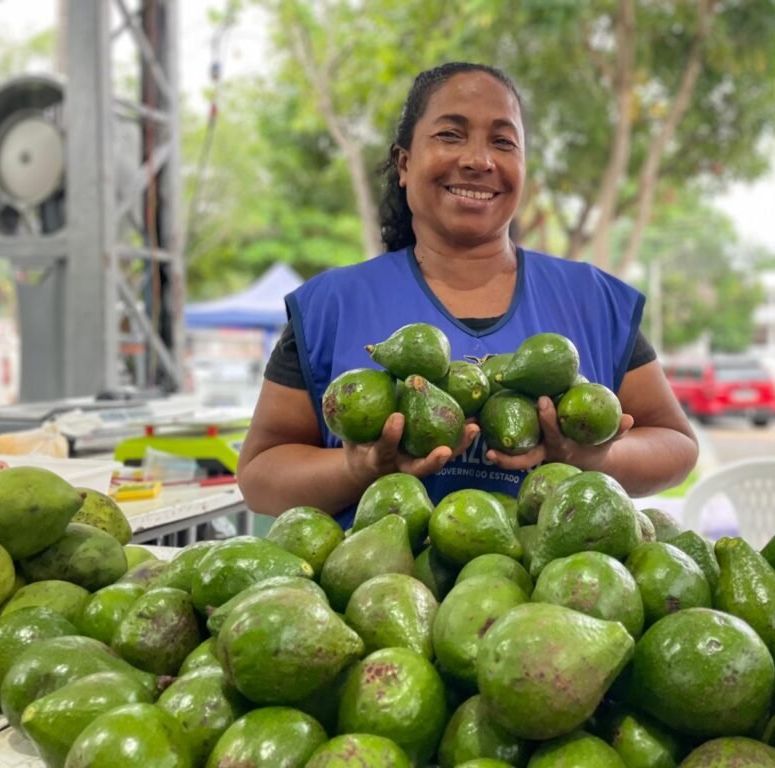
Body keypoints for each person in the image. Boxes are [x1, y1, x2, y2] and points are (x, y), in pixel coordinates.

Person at [237, 62, 698, 527]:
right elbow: (259, 475)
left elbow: (676, 444)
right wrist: (358, 468)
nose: (479, 160)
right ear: (404, 164)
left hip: (560, 572)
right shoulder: (331, 306)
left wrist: (595, 457)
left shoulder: (594, 301)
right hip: (371, 574)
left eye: (503, 142)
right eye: (451, 135)